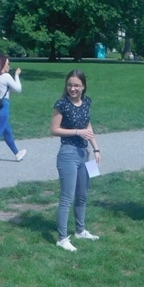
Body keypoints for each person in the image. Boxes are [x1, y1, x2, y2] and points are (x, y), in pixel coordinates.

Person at [50, 69, 101, 252]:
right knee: (67, 197)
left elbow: (88, 125)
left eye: (76, 85)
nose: (73, 88)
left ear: (83, 87)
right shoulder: (62, 104)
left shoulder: (87, 102)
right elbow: (54, 129)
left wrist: (96, 148)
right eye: (70, 85)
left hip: (84, 153)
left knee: (83, 194)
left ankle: (80, 230)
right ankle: (62, 238)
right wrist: (77, 132)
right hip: (68, 154)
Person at [0, 54, 27, 169]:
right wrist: (16, 75)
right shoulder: (6, 76)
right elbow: (18, 89)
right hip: (3, 107)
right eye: (7, 63)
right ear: (2, 65)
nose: (9, 66)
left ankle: (17, 153)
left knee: (7, 131)